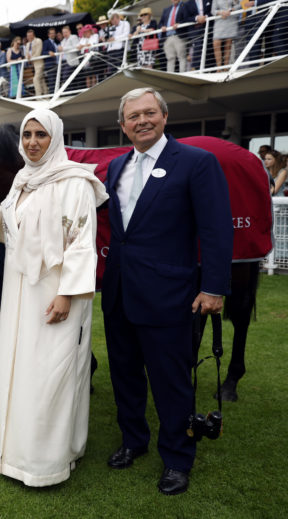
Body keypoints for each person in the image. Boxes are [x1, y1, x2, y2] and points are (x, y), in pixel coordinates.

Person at [102, 88, 232, 495]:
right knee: (124, 375)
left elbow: (216, 228)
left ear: (164, 116)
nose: (142, 121)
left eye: (149, 113)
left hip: (170, 294)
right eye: (133, 116)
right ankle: (133, 441)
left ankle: (178, 457)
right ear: (122, 125)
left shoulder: (196, 162)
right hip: (119, 291)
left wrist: (213, 287)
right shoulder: (115, 167)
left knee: (171, 381)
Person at [0, 108, 108, 486]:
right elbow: (11, 234)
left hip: (56, 294)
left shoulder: (75, 183)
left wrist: (67, 295)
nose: (32, 142)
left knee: (52, 374)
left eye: (41, 135)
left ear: (56, 138)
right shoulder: (21, 180)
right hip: (19, 292)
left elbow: (82, 244)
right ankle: (12, 452)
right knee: (20, 369)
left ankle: (46, 461)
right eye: (27, 135)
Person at [212, 0, 240, 68]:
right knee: (216, 44)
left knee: (228, 45)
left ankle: (225, 67)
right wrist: (221, 13)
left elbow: (240, 5)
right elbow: (213, 11)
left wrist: (231, 10)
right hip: (220, 20)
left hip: (231, 19)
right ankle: (219, 68)